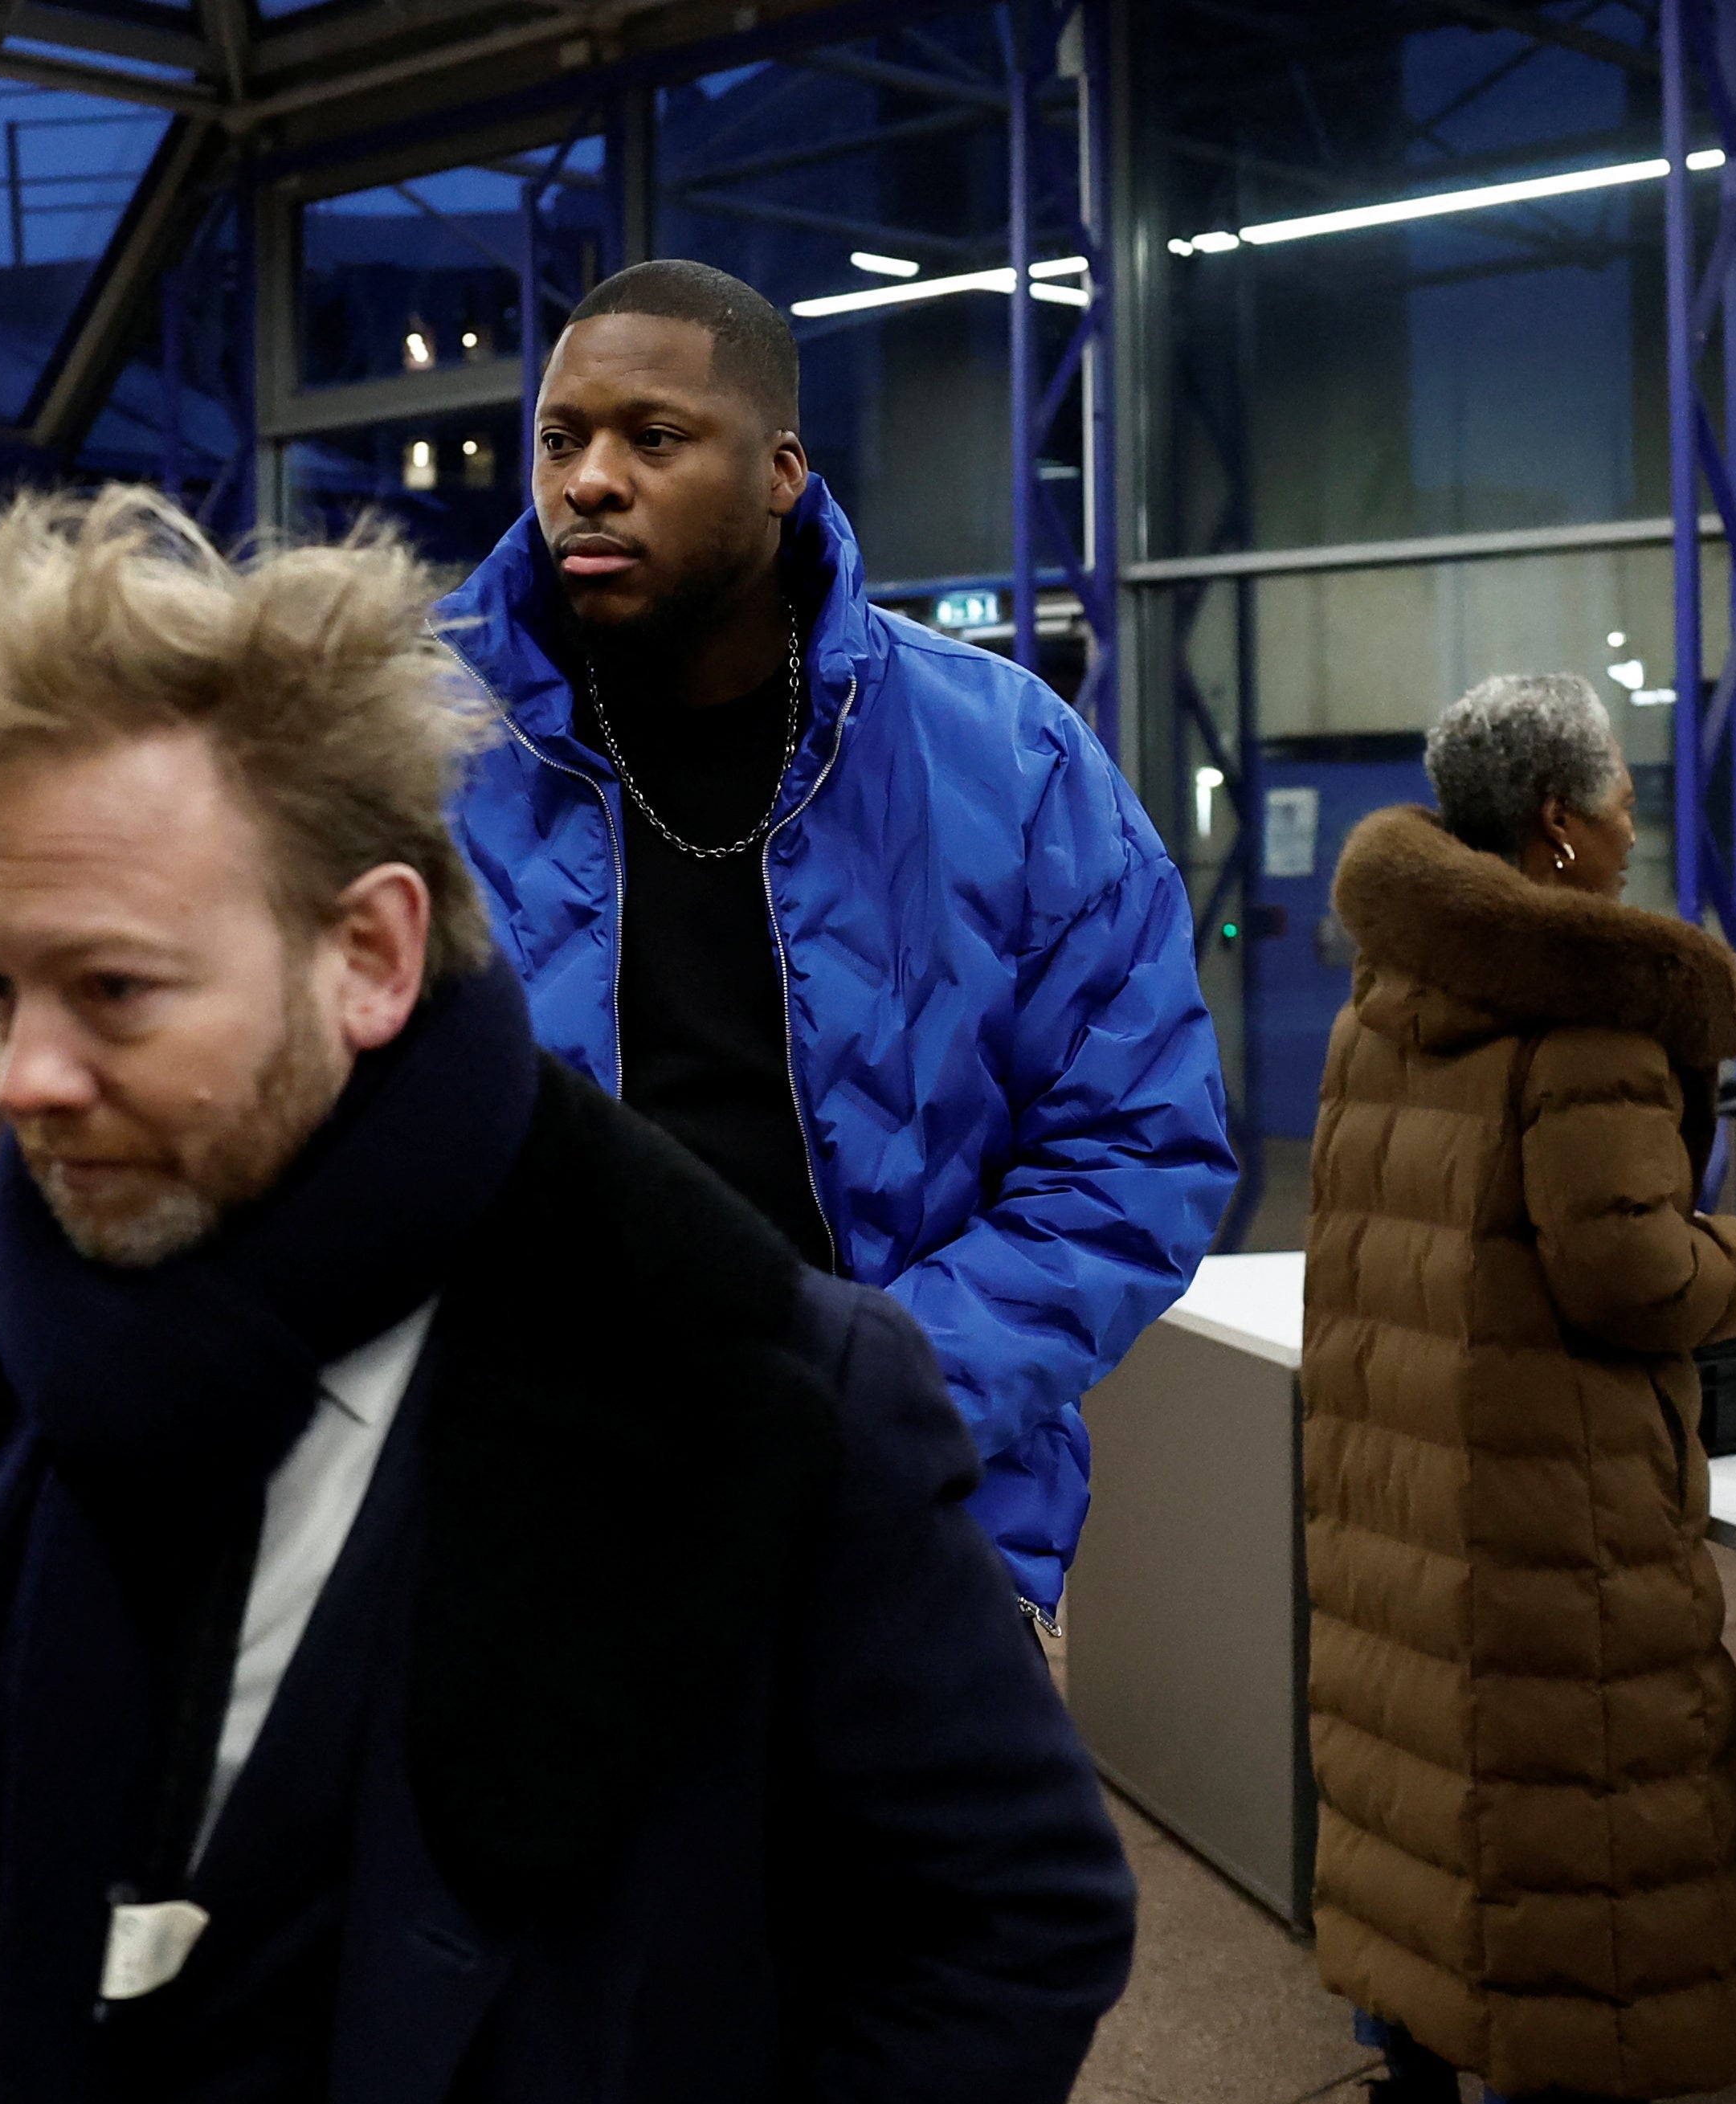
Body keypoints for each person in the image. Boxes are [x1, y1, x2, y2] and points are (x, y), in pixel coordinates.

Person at [0, 488, 1138, 2104]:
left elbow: (1016, 1914)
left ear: (372, 958)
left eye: (118, 990)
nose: (31, 1077)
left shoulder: (742, 1391)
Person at [436, 259, 1234, 1637]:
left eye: (655, 438)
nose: (589, 481)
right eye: (561, 439)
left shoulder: (1009, 758)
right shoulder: (422, 759)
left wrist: (858, 1389)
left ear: (779, 472)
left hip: (906, 1531)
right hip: (525, 1543)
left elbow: (1134, 1146)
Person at [1303, 672, 1736, 2104]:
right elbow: (1631, 1272)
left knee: (1423, 1792)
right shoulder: (1590, 1015)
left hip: (1412, 1492)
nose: (1629, 830)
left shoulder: (1380, 995)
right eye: (1617, 802)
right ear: (1558, 829)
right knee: (1580, 1832)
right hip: (1556, 1513)